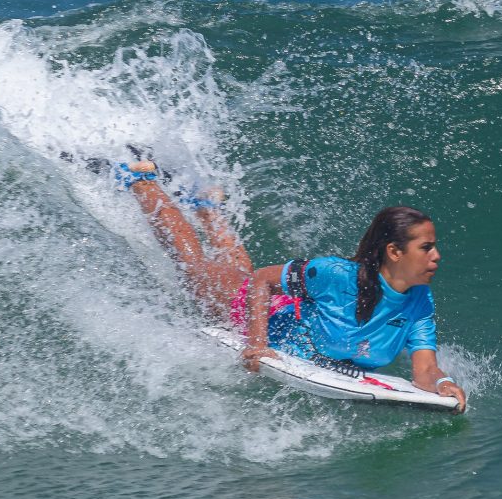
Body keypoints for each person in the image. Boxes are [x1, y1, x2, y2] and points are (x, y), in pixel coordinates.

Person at [117, 159, 467, 412]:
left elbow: (424, 369)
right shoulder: (335, 273)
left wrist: (442, 385)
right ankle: (140, 179)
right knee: (194, 266)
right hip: (252, 311)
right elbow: (261, 282)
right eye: (426, 247)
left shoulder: (419, 301)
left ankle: (208, 209)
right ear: (394, 251)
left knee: (236, 267)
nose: (437, 256)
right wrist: (256, 343)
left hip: (292, 321)